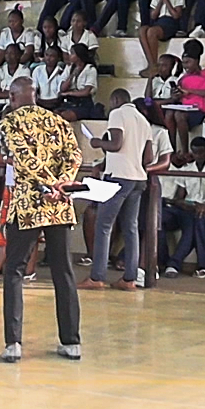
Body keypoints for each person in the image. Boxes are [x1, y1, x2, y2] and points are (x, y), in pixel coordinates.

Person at [0, 77, 81, 363]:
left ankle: (14, 343)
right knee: (63, 272)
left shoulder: (10, 122)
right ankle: (71, 342)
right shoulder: (59, 122)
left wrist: (48, 185)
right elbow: (75, 156)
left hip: (29, 205)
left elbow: (24, 158)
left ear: (12, 95)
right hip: (59, 206)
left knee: (15, 271)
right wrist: (63, 183)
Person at [84, 88, 151, 290]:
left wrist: (97, 143)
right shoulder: (143, 120)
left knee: (103, 226)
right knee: (131, 229)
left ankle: (97, 278)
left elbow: (116, 144)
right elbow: (148, 158)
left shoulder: (117, 114)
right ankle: (129, 279)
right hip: (138, 178)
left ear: (115, 99)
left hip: (118, 177)